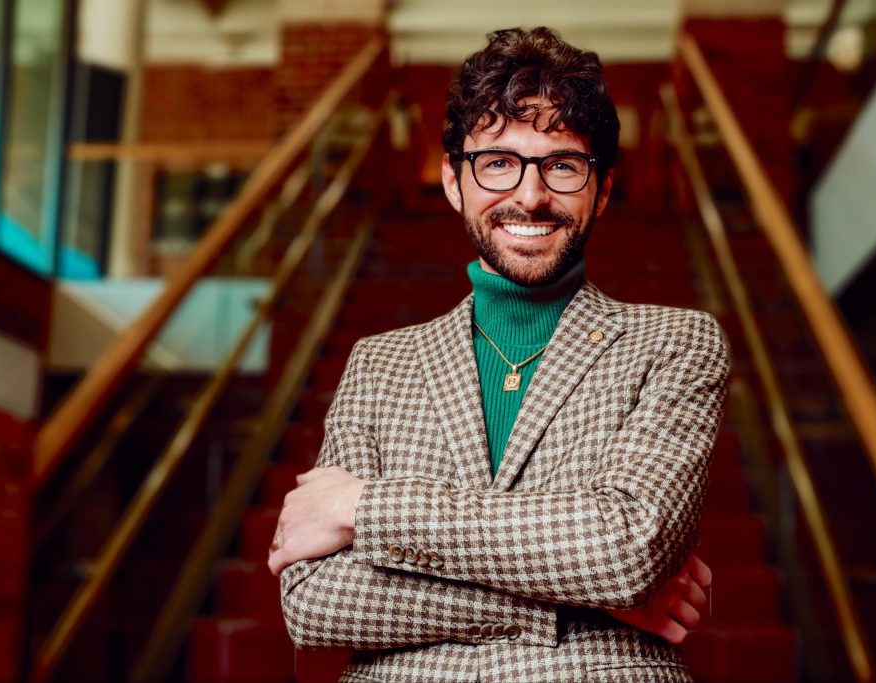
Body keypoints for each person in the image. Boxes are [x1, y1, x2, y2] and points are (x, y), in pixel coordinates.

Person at [267, 26, 730, 683]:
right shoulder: (379, 362)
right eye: (497, 162)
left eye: (562, 164)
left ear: (601, 189)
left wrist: (361, 506)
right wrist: (575, 599)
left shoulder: (675, 343)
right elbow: (314, 602)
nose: (530, 195)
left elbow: (627, 548)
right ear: (455, 180)